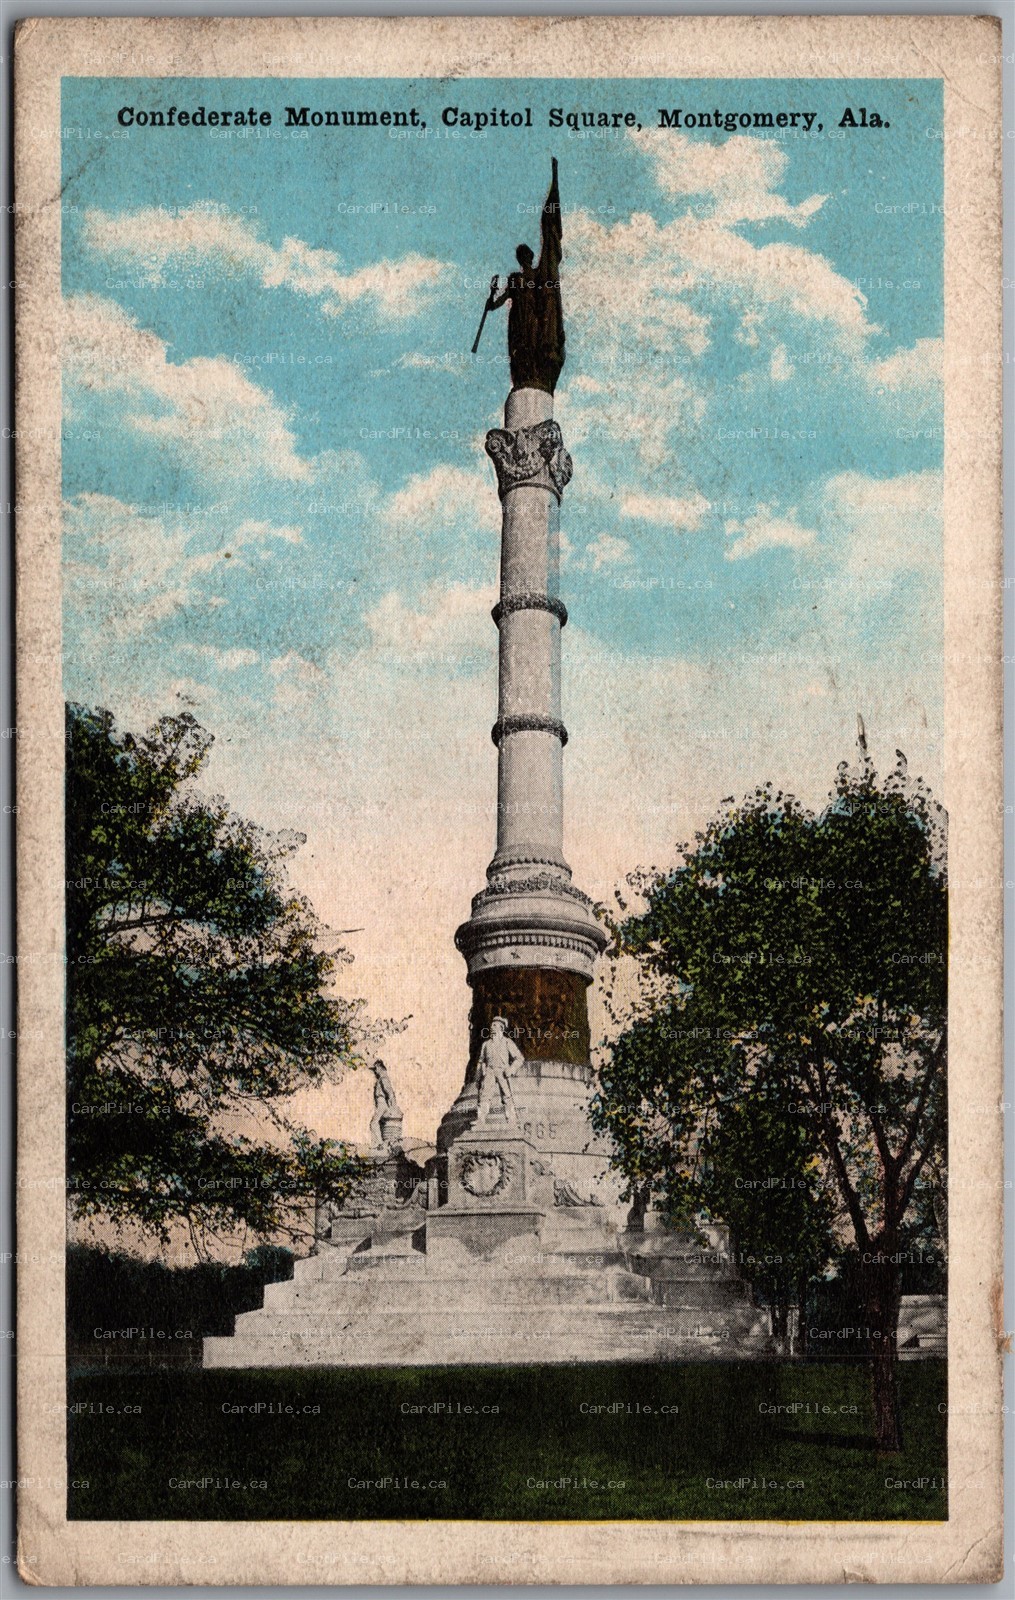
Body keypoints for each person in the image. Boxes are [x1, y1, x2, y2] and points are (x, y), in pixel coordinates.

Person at [475, 1016, 523, 1123]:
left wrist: (511, 1069)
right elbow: (481, 1061)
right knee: (484, 1096)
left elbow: (519, 1058)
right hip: (489, 1071)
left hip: (503, 1071)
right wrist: (478, 1076)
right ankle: (481, 1119)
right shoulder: (486, 1044)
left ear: (501, 1028)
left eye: (495, 1025)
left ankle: (511, 1119)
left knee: (507, 1096)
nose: (492, 1027)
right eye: (492, 1025)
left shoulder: (507, 1042)